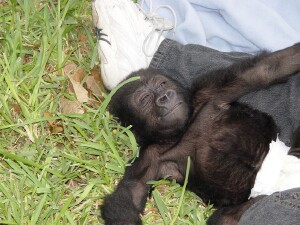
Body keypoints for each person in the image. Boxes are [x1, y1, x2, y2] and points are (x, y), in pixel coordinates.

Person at [92, 0, 300, 224]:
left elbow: (265, 70)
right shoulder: (159, 156)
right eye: (145, 100)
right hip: (262, 202)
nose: (162, 96)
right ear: (137, 128)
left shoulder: (209, 96)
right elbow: (127, 198)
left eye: (163, 85)